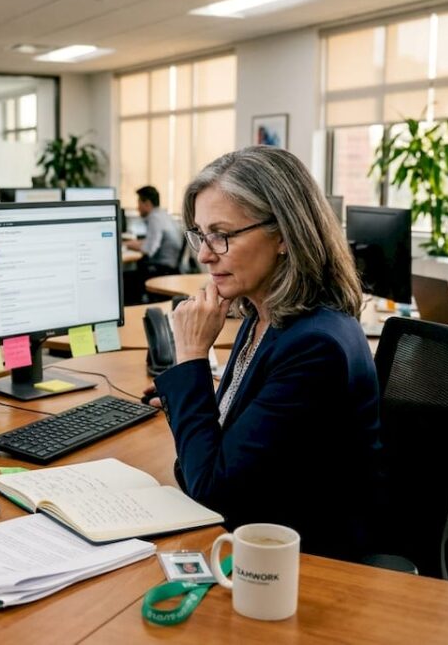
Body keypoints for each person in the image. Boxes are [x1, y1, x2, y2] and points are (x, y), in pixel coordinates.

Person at [144, 147, 382, 562]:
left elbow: (212, 489)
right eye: (200, 234)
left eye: (222, 234)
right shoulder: (263, 316)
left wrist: (191, 358)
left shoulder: (315, 346)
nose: (204, 254)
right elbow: (207, 461)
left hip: (303, 563)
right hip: (254, 532)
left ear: (285, 236)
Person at [124, 185, 182, 273]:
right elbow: (155, 241)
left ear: (147, 203)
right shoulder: (162, 214)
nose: (137, 208)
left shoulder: (154, 218)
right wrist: (135, 243)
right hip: (169, 266)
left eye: (139, 203)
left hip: (161, 269)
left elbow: (148, 249)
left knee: (124, 277)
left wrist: (126, 245)